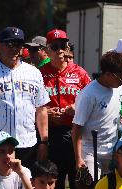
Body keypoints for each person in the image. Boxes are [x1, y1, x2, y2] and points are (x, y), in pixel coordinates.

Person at [0, 27, 50, 168]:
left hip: (28, 144)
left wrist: (43, 142)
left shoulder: (34, 73)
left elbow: (41, 109)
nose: (14, 48)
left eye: (18, 44)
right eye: (9, 44)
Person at [39, 29, 90, 189]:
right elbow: (30, 104)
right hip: (50, 135)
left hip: (75, 133)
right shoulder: (40, 74)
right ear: (48, 49)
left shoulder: (80, 73)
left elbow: (91, 100)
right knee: (55, 180)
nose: (60, 50)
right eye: (55, 46)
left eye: (63, 45)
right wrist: (45, 112)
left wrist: (77, 108)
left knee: (77, 180)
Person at [72, 51, 122, 179]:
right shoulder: (88, 95)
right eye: (121, 77)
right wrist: (78, 158)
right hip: (91, 153)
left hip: (113, 152)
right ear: (108, 74)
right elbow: (76, 128)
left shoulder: (119, 88)